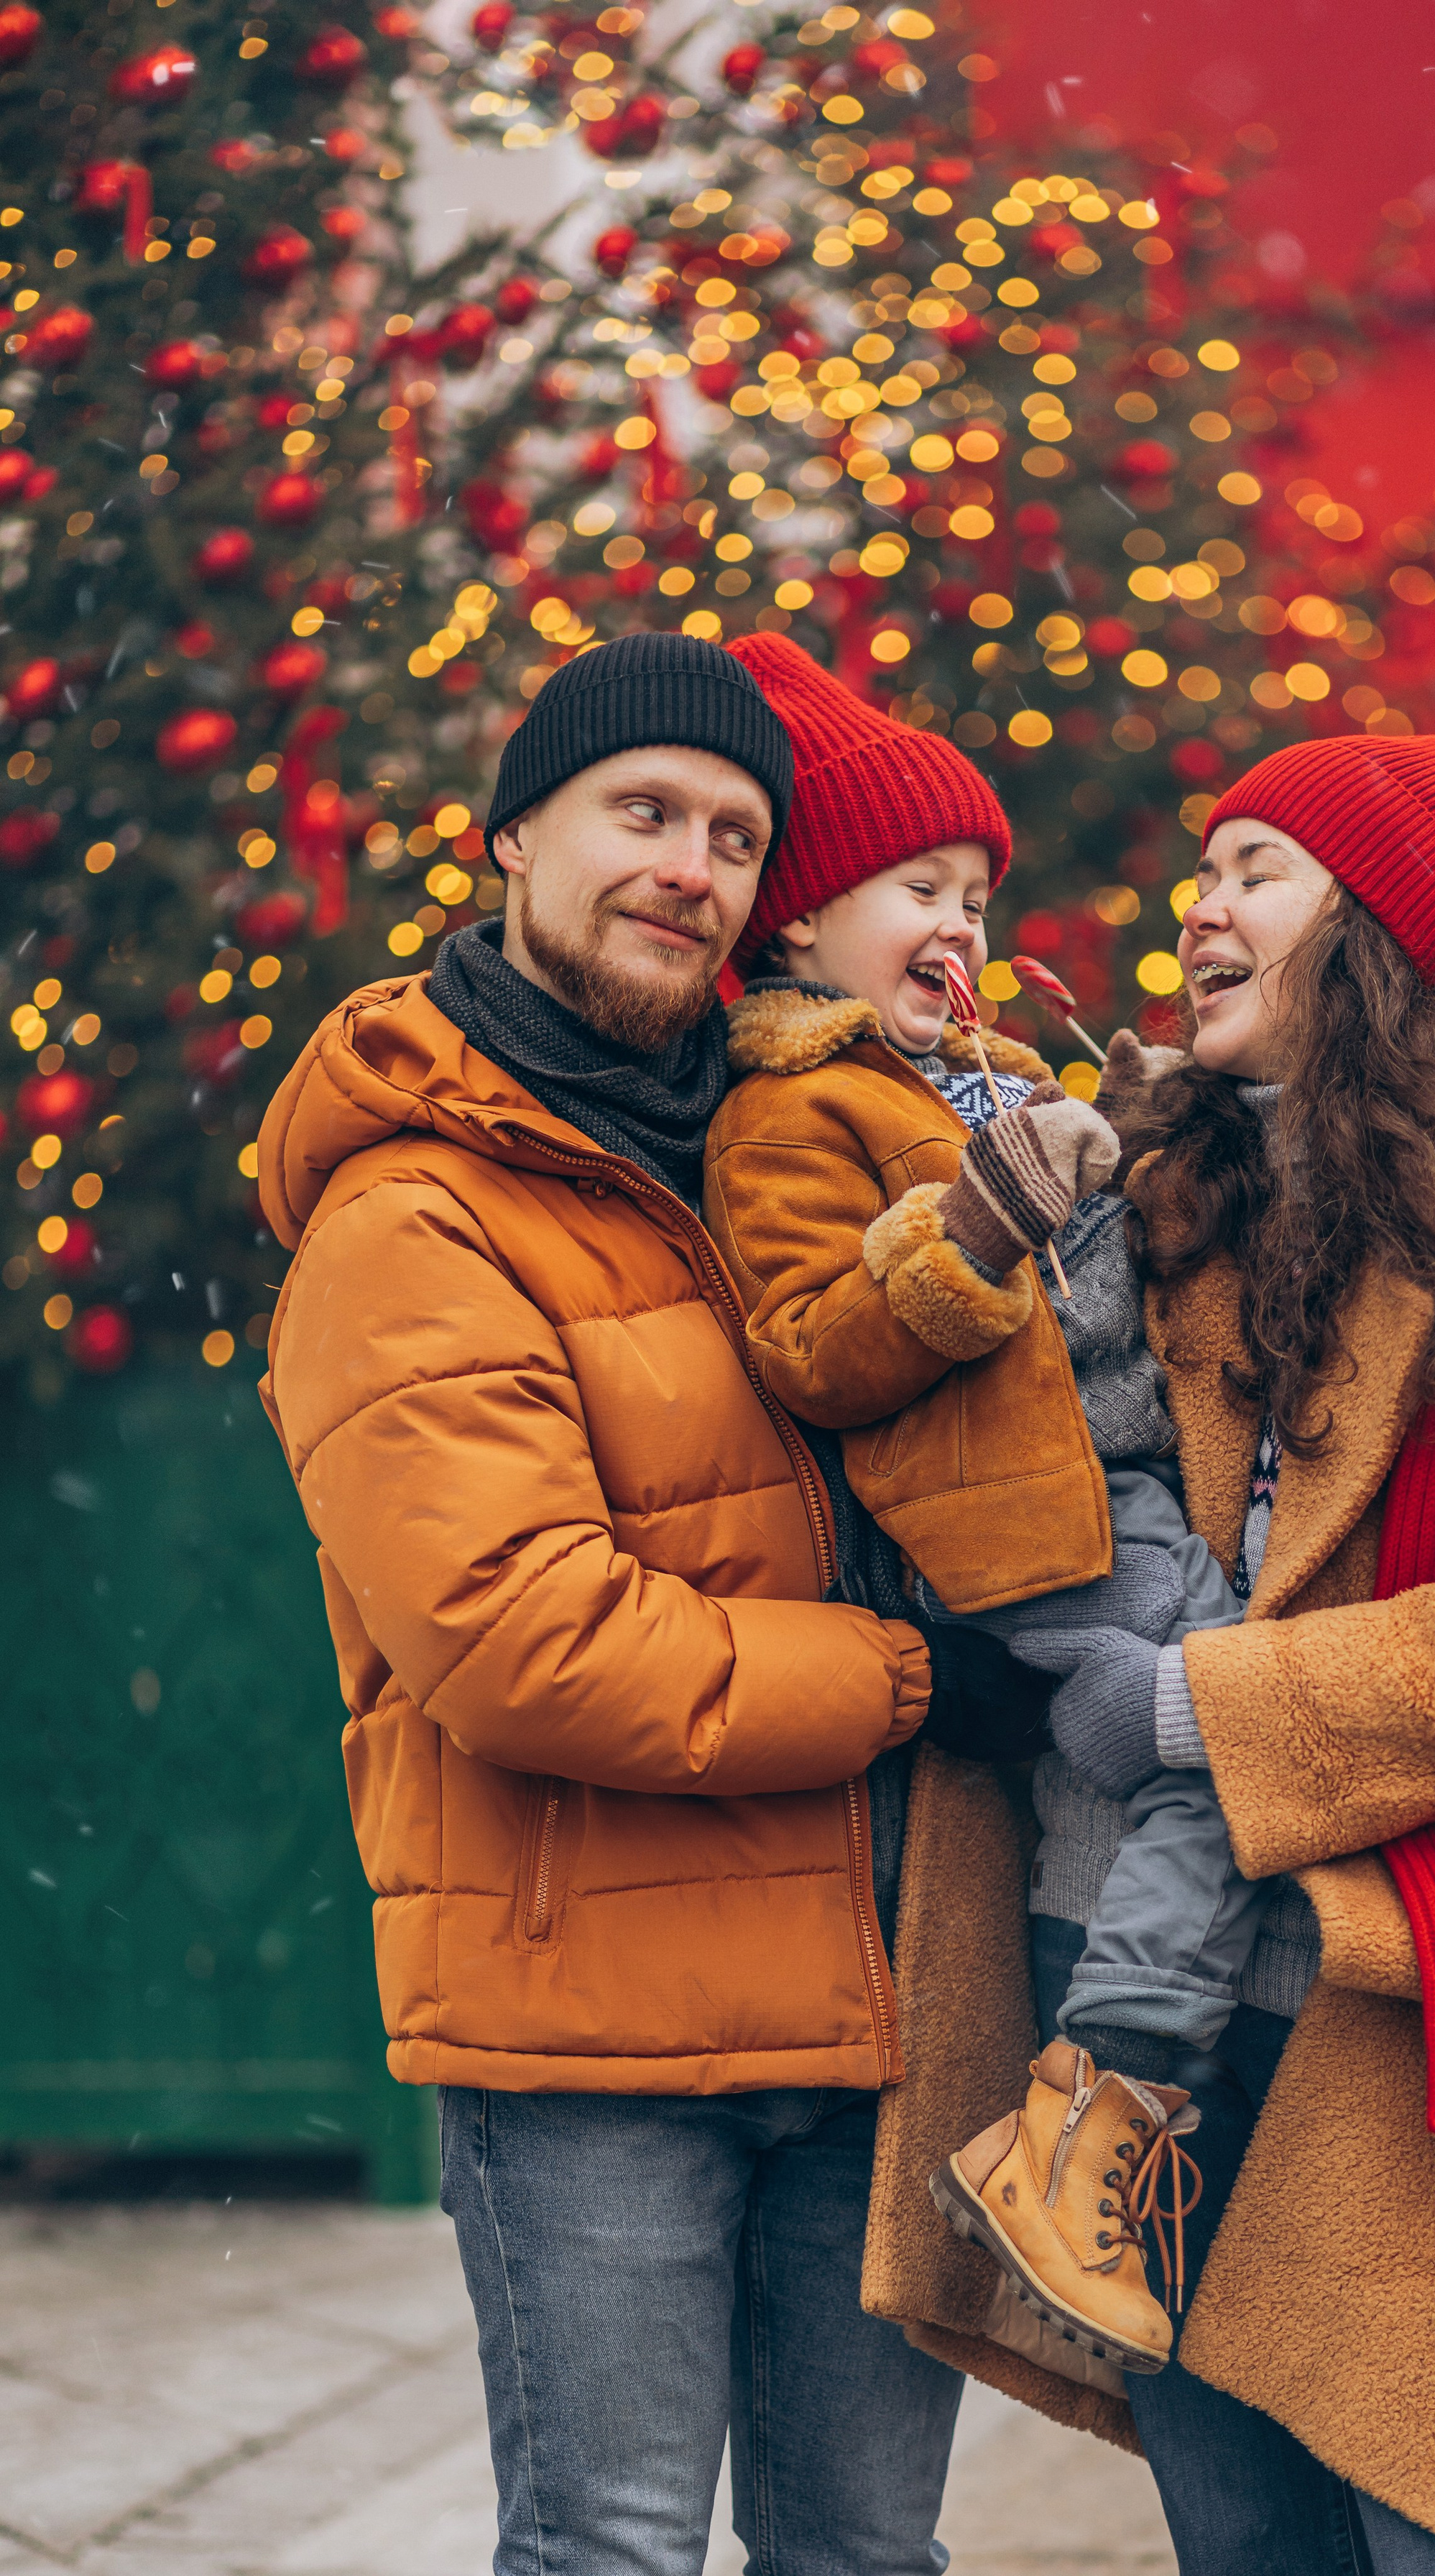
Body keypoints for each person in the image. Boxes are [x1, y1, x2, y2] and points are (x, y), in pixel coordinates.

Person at [896, 726, 1435, 2576]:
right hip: (1147, 2027)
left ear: (1367, 930)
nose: (1198, 909)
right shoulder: (1163, 1196)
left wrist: (1190, 1702)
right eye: (1199, 871)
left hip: (1424, 2016)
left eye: (1253, 870)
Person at [254, 631, 1036, 2576]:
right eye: (642, 812)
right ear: (515, 835)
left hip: (871, 1995)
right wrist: (915, 1681)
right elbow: (528, 1642)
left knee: (864, 2555)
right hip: (590, 2038)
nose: (689, 864)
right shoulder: (412, 1214)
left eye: (733, 834)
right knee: (609, 2546)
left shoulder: (796, 1138)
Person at [701, 634, 1273, 2382]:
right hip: (1027, 1535)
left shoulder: (988, 1074)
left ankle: (1095, 2115)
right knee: (1238, 1749)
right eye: (909, 888)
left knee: (1248, 1729)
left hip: (1128, 1498)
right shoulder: (791, 1110)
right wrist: (980, 1228)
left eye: (970, 890)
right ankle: (1090, 2114)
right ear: (797, 925)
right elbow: (816, 1346)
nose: (955, 922)